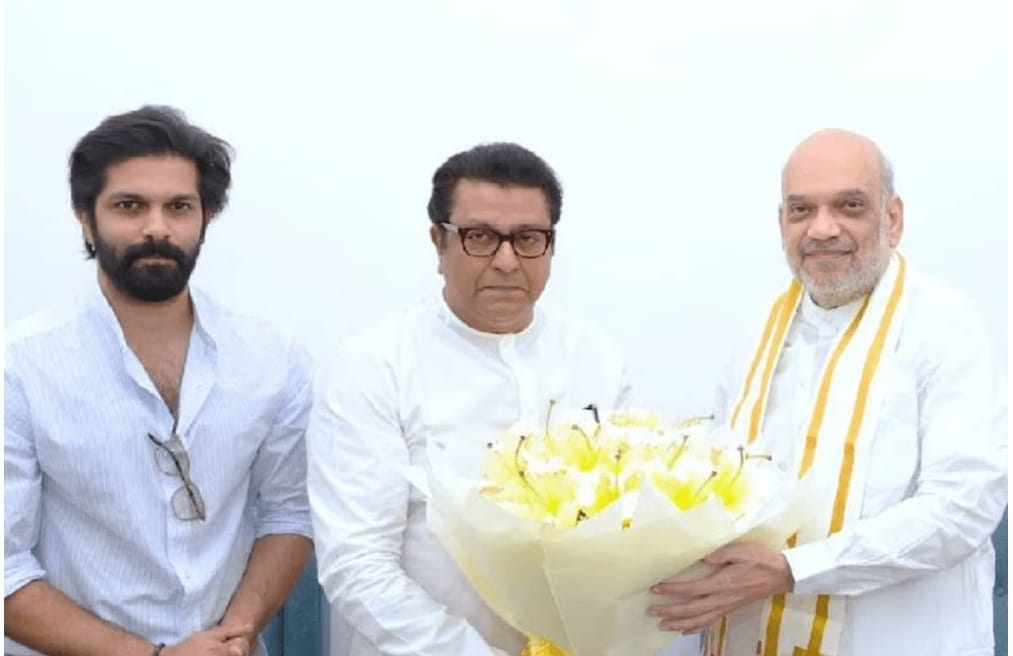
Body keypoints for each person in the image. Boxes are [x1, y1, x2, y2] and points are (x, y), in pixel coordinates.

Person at [648, 129, 1008, 655]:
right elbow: (718, 481)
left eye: (849, 206)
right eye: (802, 210)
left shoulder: (946, 328)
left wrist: (794, 570)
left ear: (892, 218)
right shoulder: (754, 336)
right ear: (782, 223)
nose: (822, 228)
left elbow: (963, 507)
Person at [5, 105, 314, 656]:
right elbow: (5, 570)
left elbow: (289, 513)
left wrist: (235, 634)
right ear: (85, 218)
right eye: (129, 206)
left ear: (205, 218)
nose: (157, 227)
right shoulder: (21, 366)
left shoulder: (271, 356)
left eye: (179, 207)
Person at [307, 143, 632, 656]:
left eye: (528, 239)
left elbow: (629, 525)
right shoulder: (375, 365)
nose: (506, 261)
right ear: (439, 242)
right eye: (480, 237)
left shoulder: (597, 358)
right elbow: (357, 564)